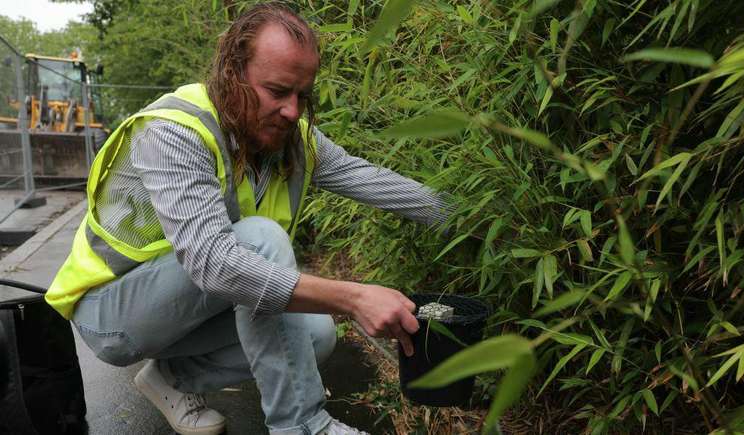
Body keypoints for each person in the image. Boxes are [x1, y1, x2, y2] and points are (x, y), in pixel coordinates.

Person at [45, 3, 448, 435]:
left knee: (316, 335)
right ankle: (303, 426)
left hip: (189, 308)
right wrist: (354, 298)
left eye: (302, 95)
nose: (293, 111)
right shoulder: (175, 132)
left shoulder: (292, 139)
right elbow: (215, 263)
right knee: (259, 239)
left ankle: (172, 378)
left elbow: (368, 178)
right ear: (232, 72)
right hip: (113, 314)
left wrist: (458, 218)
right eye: (277, 91)